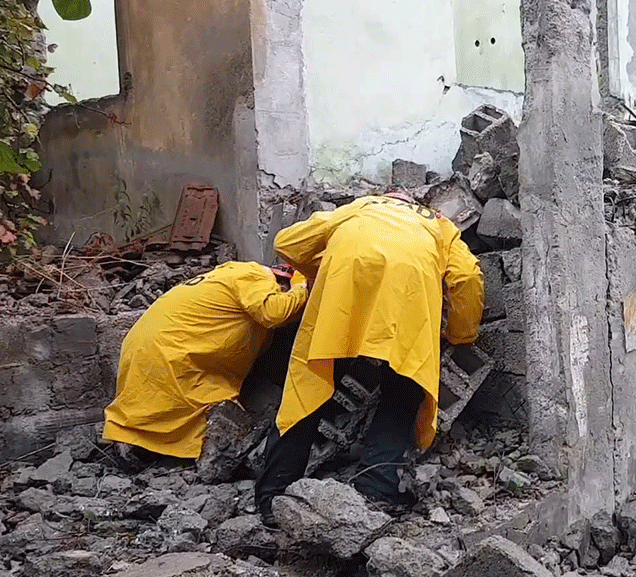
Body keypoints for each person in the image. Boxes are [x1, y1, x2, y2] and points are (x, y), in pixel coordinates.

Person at [254, 191, 484, 524]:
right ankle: (375, 488)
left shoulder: (357, 208)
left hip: (343, 297)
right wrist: (462, 335)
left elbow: (288, 243)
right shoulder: (440, 225)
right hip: (404, 305)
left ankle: (273, 497)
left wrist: (319, 270)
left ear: (387, 198)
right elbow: (467, 277)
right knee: (402, 388)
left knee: (308, 387)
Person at [103, 261, 309, 469]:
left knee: (155, 407)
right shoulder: (255, 276)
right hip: (173, 352)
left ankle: (136, 442)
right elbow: (276, 311)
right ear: (281, 280)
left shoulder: (228, 275)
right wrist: (302, 287)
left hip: (152, 346)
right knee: (205, 412)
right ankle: (173, 451)